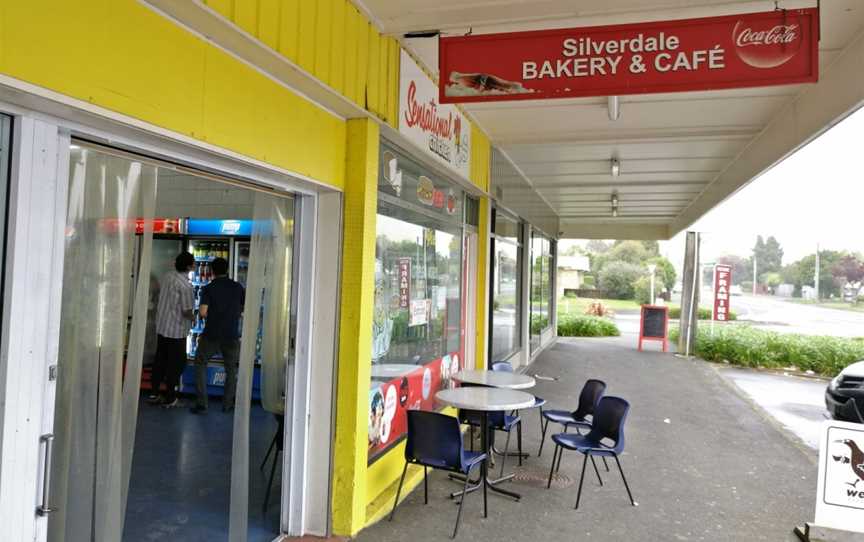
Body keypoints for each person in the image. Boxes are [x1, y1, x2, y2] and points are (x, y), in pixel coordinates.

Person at [192, 257, 245, 414]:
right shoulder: (238, 287)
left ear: (212, 271)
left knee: (200, 363)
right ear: (228, 269)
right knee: (231, 370)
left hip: (212, 334)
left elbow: (202, 312)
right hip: (231, 334)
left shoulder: (209, 288)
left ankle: (202, 403)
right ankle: (228, 405)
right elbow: (243, 309)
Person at [149, 252, 195, 408]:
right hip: (176, 331)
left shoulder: (168, 276)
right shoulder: (186, 286)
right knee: (177, 363)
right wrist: (195, 318)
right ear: (189, 266)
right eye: (193, 263)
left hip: (162, 326)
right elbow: (186, 311)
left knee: (160, 360)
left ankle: (154, 393)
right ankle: (170, 397)